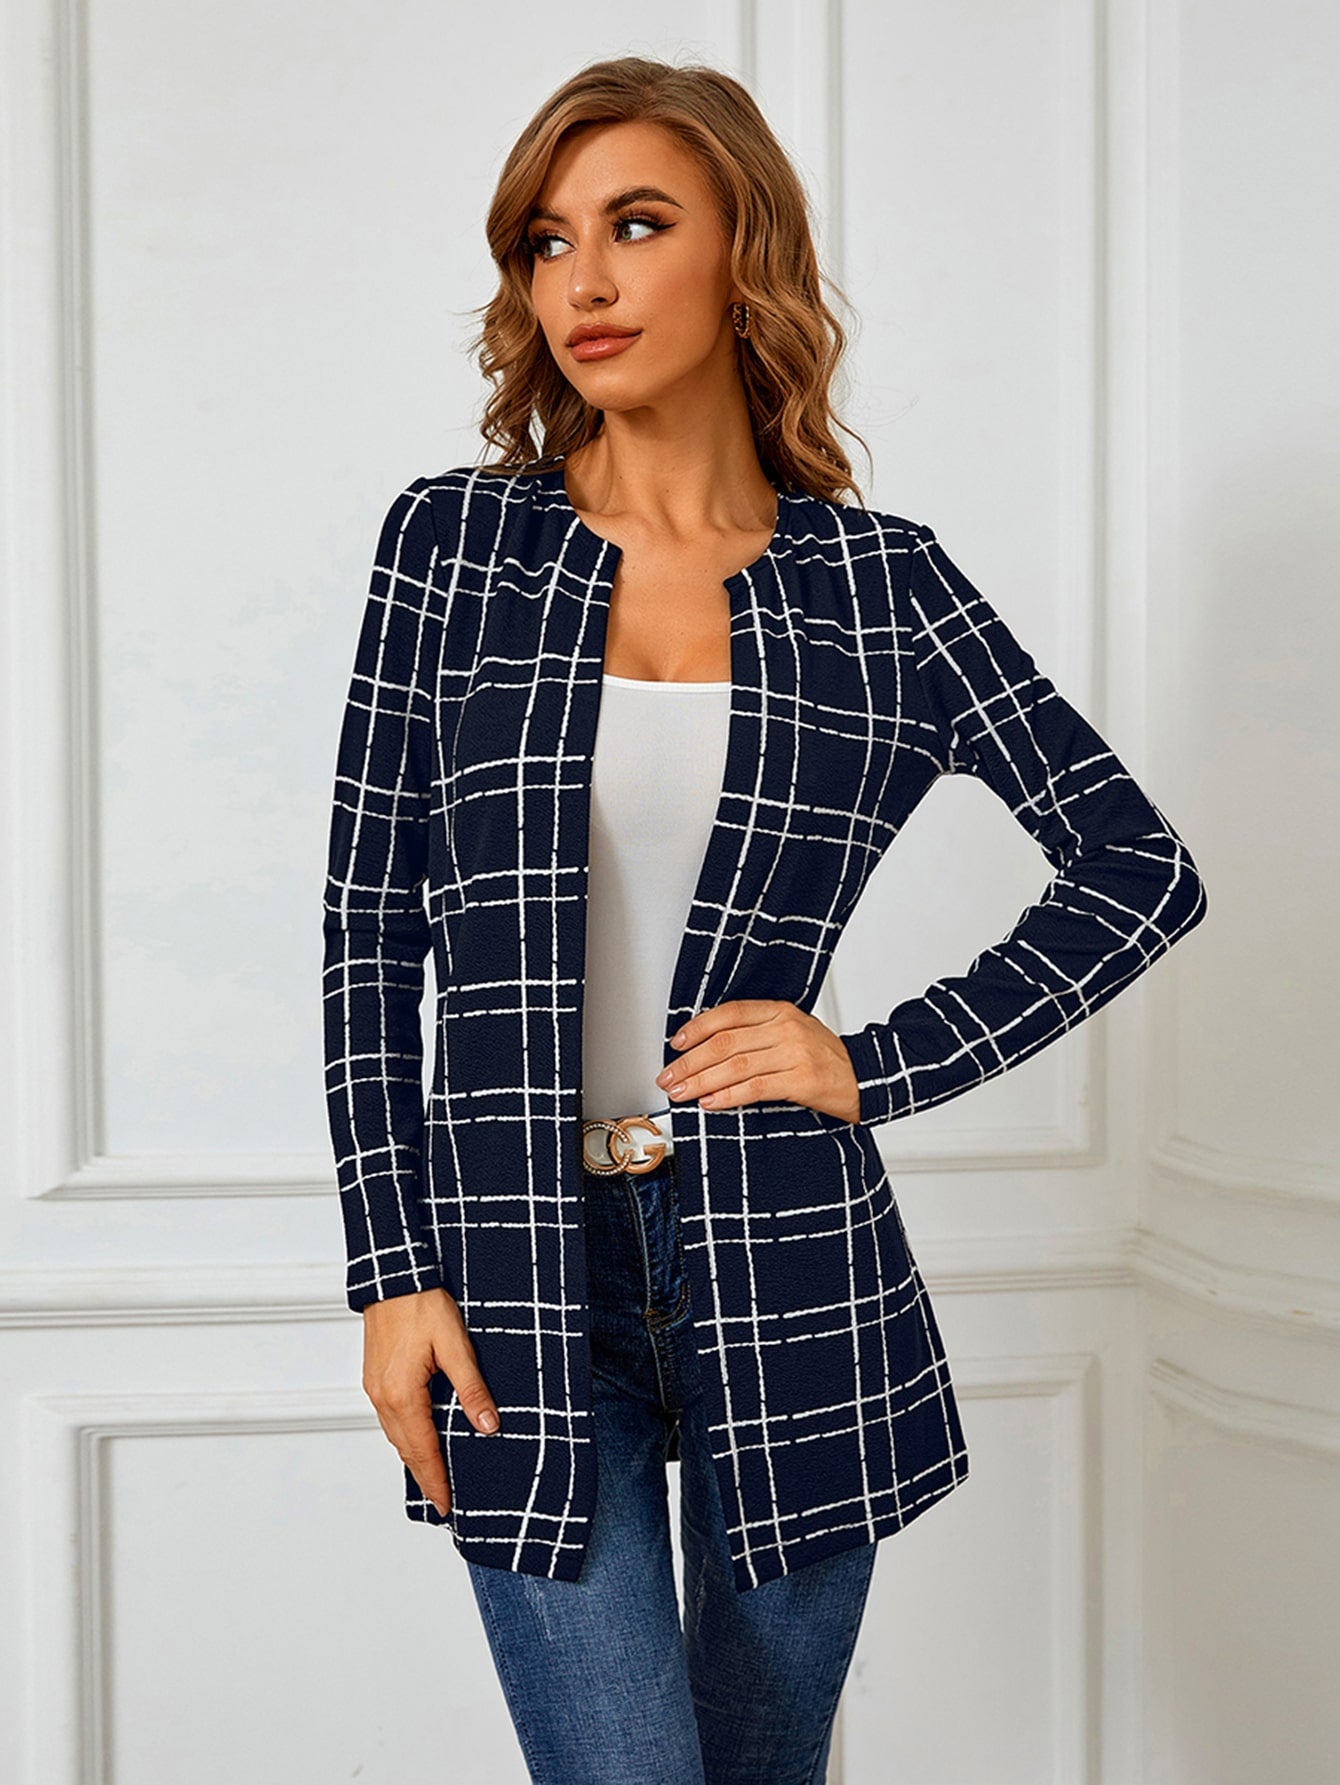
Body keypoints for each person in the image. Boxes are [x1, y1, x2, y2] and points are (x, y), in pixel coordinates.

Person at [322, 55, 1207, 1785]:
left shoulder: (882, 586)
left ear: (747, 252)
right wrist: (390, 1271)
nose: (582, 279)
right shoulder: (454, 547)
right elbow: (368, 932)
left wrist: (873, 1062)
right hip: (512, 1274)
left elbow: (1135, 865)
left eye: (637, 225)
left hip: (795, 1269)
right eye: (547, 241)